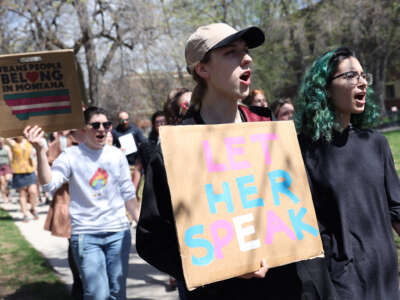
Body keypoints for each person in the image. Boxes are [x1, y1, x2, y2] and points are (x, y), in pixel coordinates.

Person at [135, 23, 319, 300]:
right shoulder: (178, 148)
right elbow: (151, 239)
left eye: (245, 51)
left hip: (285, 288)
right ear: (203, 69)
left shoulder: (268, 129)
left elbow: (297, 207)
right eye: (232, 52)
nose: (247, 59)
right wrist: (221, 266)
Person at [295, 46, 400, 299]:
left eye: (364, 76)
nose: (362, 82)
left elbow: (396, 208)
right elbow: (304, 227)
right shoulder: (302, 150)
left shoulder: (376, 143)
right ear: (325, 89)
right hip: (342, 283)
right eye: (351, 75)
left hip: (385, 274)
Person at [24, 106, 140, 300]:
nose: (102, 129)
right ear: (83, 129)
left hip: (118, 233)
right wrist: (41, 152)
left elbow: (128, 194)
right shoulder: (71, 156)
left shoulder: (116, 155)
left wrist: (141, 222)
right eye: (95, 125)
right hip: (86, 236)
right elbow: (48, 185)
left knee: (117, 292)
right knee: (97, 294)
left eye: (106, 125)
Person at [112, 111, 146, 192]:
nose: (125, 122)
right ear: (118, 120)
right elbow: (110, 147)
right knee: (125, 191)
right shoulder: (114, 132)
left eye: (126, 119)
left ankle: (136, 204)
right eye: (122, 120)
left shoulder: (135, 130)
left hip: (136, 166)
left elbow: (143, 143)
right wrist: (117, 150)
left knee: (135, 191)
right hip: (122, 166)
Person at [6, 137, 39, 222]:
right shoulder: (11, 142)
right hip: (18, 171)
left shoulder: (28, 141)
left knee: (33, 191)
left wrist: (36, 169)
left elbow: (33, 155)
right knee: (22, 193)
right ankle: (25, 214)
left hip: (30, 169)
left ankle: (32, 208)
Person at [0, 137, 12, 203]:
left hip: (6, 166)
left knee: (8, 180)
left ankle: (9, 193)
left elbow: (10, 157)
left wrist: (11, 166)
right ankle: (4, 197)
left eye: (1, 141)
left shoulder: (7, 148)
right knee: (2, 182)